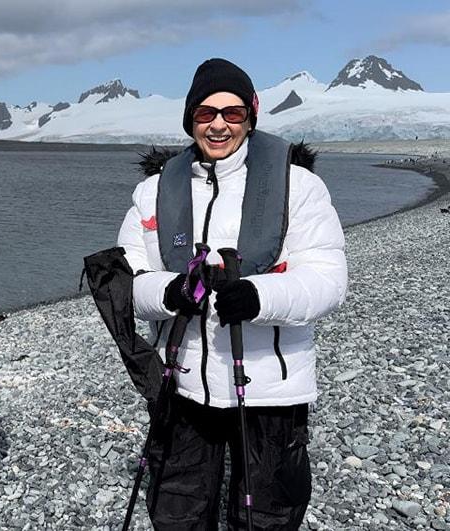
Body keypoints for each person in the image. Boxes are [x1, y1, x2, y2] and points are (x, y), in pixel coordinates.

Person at [117, 58, 347, 529]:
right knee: (175, 511)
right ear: (190, 119)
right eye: (206, 113)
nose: (219, 124)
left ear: (251, 116)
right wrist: (171, 291)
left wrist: (258, 297)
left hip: (270, 386)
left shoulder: (299, 187)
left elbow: (328, 279)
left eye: (233, 113)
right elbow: (127, 284)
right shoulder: (154, 191)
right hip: (180, 384)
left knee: (267, 514)